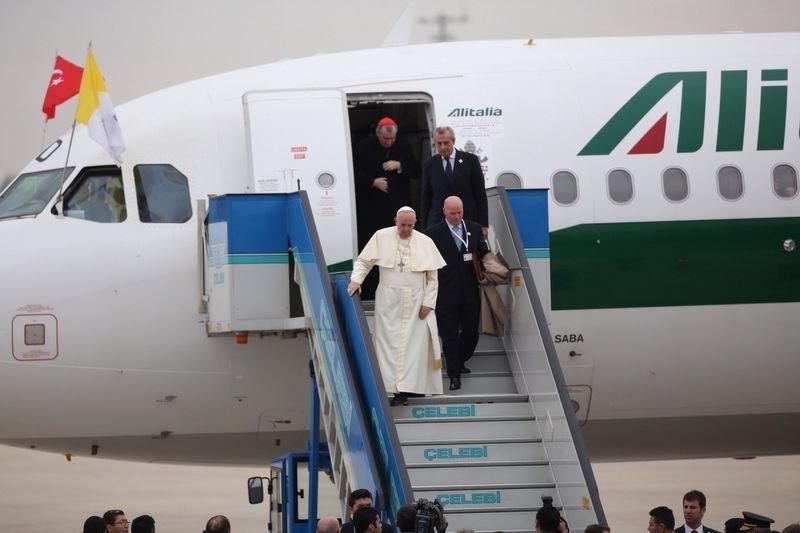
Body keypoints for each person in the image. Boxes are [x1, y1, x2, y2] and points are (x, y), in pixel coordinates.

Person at [349, 207, 446, 405]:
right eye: (402, 225)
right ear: (395, 221)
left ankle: (412, 390)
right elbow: (364, 262)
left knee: (415, 348)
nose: (406, 230)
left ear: (415, 223)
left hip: (417, 302)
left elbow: (433, 278)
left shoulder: (425, 242)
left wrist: (428, 302)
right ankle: (391, 389)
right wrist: (356, 280)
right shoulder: (381, 236)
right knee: (388, 345)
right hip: (389, 301)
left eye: (410, 226)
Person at [425, 196, 489, 390]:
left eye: (459, 212)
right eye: (452, 213)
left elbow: (484, 253)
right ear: (444, 211)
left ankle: (460, 360)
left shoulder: (474, 229)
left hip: (470, 291)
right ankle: (454, 374)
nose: (456, 216)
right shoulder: (432, 233)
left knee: (471, 333)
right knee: (450, 335)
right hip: (445, 293)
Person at [354, 117, 420, 299]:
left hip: (397, 208)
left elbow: (416, 170)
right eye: (385, 139)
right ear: (378, 135)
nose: (389, 143)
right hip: (371, 209)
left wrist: (400, 166)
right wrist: (373, 182)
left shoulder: (403, 146)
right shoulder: (364, 146)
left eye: (392, 139)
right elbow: (354, 172)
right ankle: (370, 292)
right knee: (374, 249)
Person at [419, 126, 488, 236]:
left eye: (446, 143)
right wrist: (424, 228)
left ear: (453, 141)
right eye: (439, 143)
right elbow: (425, 198)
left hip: (467, 219)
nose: (443, 147)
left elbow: (480, 194)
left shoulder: (470, 160)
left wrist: (484, 224)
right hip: (438, 222)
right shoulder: (430, 164)